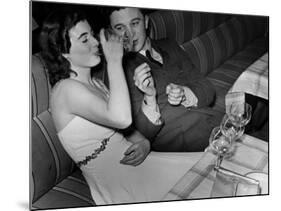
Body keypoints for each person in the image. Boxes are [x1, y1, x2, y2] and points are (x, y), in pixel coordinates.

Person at [40, 10, 203, 205]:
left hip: (138, 164)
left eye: (92, 34)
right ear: (62, 51)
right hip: (117, 181)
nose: (95, 42)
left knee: (206, 167)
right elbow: (121, 118)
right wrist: (115, 60)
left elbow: (122, 129)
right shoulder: (65, 90)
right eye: (84, 39)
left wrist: (143, 142)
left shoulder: (95, 84)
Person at [101, 7, 224, 152]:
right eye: (120, 28)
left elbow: (207, 90)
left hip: (214, 124)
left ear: (146, 22)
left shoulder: (169, 45)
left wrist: (184, 93)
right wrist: (149, 99)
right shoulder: (116, 69)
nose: (130, 34)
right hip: (182, 146)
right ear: (113, 32)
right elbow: (137, 134)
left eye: (134, 23)